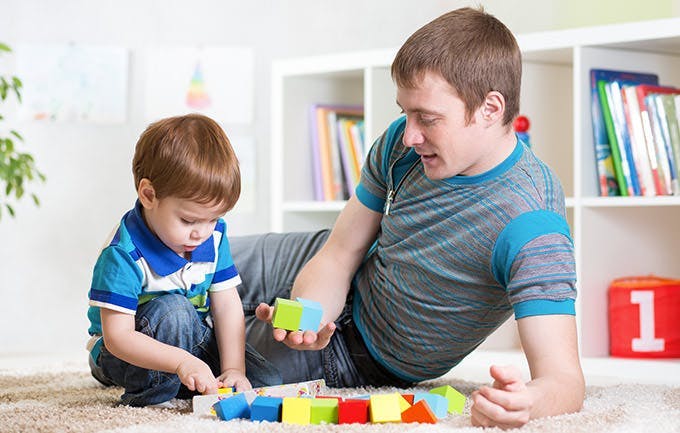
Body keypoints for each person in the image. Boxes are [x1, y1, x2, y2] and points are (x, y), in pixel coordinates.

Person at [233, 6, 585, 429]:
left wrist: (527, 402)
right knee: (184, 255)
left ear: (491, 108)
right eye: (406, 111)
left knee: (175, 341)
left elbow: (564, 380)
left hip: (357, 353)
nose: (410, 134)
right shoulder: (403, 147)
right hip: (315, 256)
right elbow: (342, 251)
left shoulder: (532, 223)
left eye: (428, 119)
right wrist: (310, 312)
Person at [86, 114, 280, 407]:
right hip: (122, 352)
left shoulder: (211, 237)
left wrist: (233, 369)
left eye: (213, 219)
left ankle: (185, 381)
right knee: (174, 311)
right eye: (188, 219)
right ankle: (154, 396)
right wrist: (181, 362)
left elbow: (227, 306)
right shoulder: (123, 253)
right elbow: (117, 337)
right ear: (149, 195)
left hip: (189, 335)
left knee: (266, 383)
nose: (202, 232)